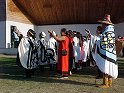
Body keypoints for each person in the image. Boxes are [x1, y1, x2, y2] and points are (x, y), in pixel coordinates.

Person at [95, 14, 118, 88]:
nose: (101, 25)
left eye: (102, 23)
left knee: (106, 66)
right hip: (110, 52)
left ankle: (106, 83)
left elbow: (104, 42)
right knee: (109, 66)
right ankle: (109, 82)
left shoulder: (107, 32)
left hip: (107, 53)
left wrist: (97, 42)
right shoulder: (111, 31)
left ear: (105, 24)